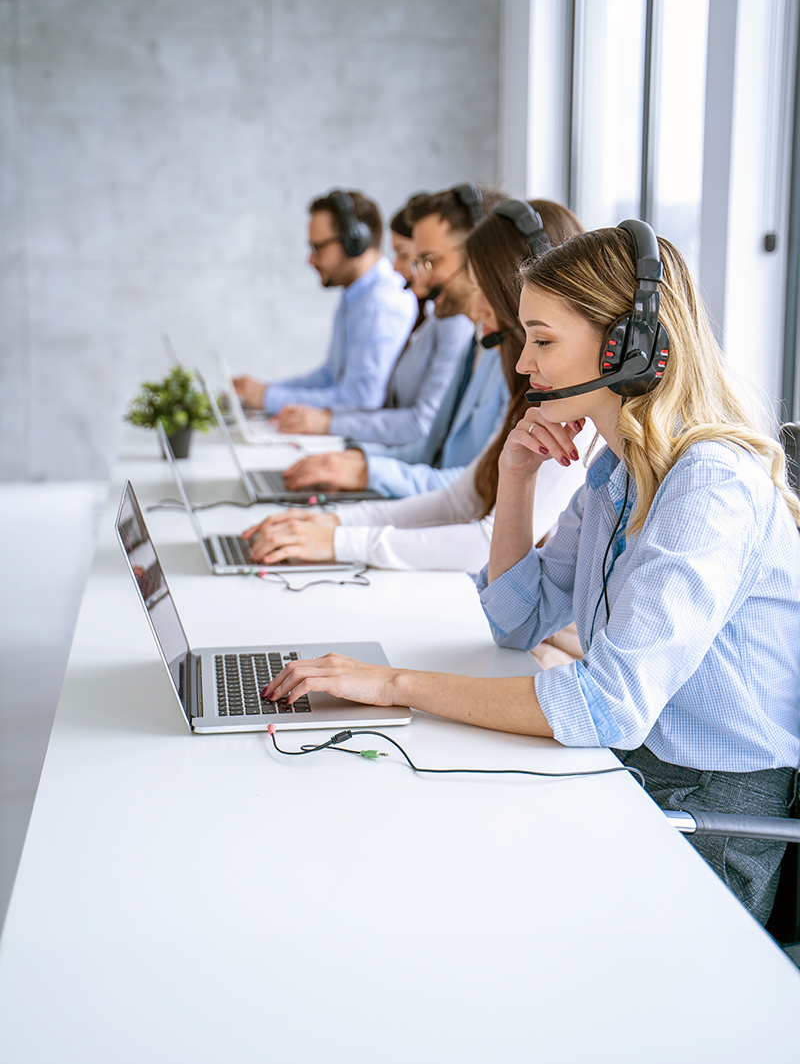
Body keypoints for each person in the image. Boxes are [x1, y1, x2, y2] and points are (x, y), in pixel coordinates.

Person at [260, 224, 800, 924]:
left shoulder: (709, 488)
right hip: (635, 770)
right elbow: (514, 620)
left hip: (709, 813)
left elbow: (606, 704)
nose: (523, 365)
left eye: (543, 341)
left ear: (626, 348)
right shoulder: (617, 471)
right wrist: (514, 480)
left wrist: (393, 685)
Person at [244, 199, 588, 581]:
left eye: (482, 287)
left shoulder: (571, 414)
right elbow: (462, 498)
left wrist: (343, 538)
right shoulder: (522, 382)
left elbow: (483, 539)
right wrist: (336, 522)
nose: (474, 309)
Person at [276, 183, 510, 498]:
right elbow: (429, 450)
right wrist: (358, 461)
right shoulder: (477, 341)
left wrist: (364, 471)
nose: (415, 275)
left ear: (480, 257)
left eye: (428, 260)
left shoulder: (512, 358)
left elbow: (480, 488)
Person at [270, 196, 474, 445]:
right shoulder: (431, 316)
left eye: (422, 259)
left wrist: (330, 427)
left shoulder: (437, 317)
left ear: (354, 242)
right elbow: (331, 374)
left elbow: (410, 421)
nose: (398, 268)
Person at [233, 189, 416, 415]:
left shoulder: (380, 304)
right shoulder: (356, 295)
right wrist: (264, 391)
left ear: (355, 241)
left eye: (318, 248)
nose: (311, 260)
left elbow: (360, 400)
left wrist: (268, 398)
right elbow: (330, 376)